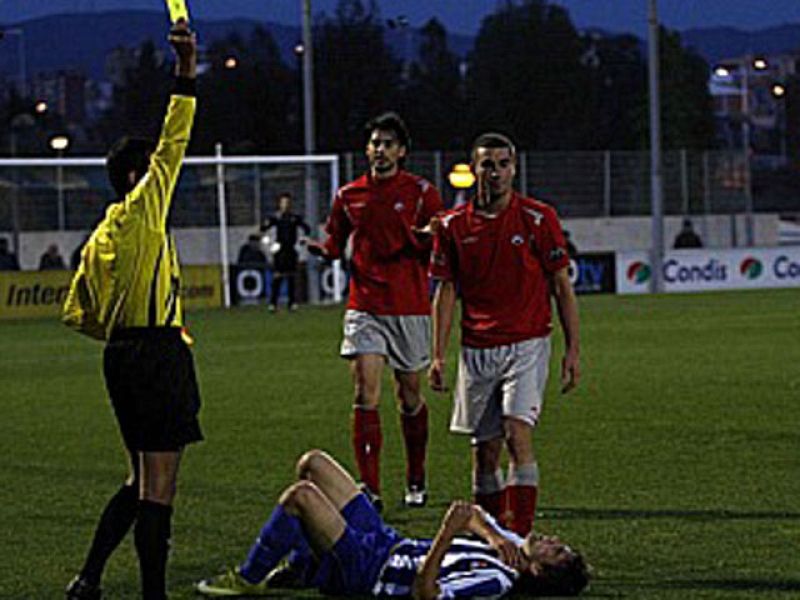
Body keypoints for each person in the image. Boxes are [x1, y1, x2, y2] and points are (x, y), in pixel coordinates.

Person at [61, 21, 202, 600]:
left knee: (138, 477)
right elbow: (175, 138)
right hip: (158, 353)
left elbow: (77, 311)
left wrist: (121, 332)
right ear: (135, 176)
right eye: (152, 170)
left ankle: (88, 578)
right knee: (159, 488)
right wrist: (187, 68)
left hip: (120, 357)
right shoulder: (144, 206)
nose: (165, 176)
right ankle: (152, 594)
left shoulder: (100, 235)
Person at [428, 132, 581, 536]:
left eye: (502, 164)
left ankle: (521, 539)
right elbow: (445, 291)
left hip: (528, 343)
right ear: (474, 169)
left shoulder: (537, 218)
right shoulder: (452, 225)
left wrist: (572, 350)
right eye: (487, 164)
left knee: (517, 434)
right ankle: (492, 540)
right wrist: (438, 355)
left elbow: (561, 285)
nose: (494, 172)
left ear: (514, 168)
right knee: (484, 454)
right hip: (477, 349)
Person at [195, 449, 589, 598]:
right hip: (386, 541)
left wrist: (446, 534)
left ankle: (247, 578)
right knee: (312, 463)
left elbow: (426, 593)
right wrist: (486, 532)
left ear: (538, 571)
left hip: (370, 572)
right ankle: (304, 568)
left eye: (555, 549)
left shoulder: (495, 581)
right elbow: (473, 514)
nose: (551, 538)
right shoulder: (509, 546)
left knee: (300, 497)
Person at [306, 112, 443, 508]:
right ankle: (370, 489)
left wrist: (427, 239)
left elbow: (437, 244)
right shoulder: (349, 195)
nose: (379, 150)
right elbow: (336, 241)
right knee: (365, 391)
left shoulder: (421, 193)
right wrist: (324, 250)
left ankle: (416, 477)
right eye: (374, 143)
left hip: (410, 307)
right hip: (365, 304)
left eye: (387, 143)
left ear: (401, 151)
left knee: (409, 397)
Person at [260, 192, 311, 311]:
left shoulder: (294, 218)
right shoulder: (276, 218)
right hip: (280, 249)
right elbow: (263, 229)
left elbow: (307, 229)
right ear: (280, 204)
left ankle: (292, 303)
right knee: (277, 276)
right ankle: (273, 303)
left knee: (291, 277)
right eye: (283, 203)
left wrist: (301, 242)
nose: (286, 205)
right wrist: (269, 243)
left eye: (288, 203)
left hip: (291, 249)